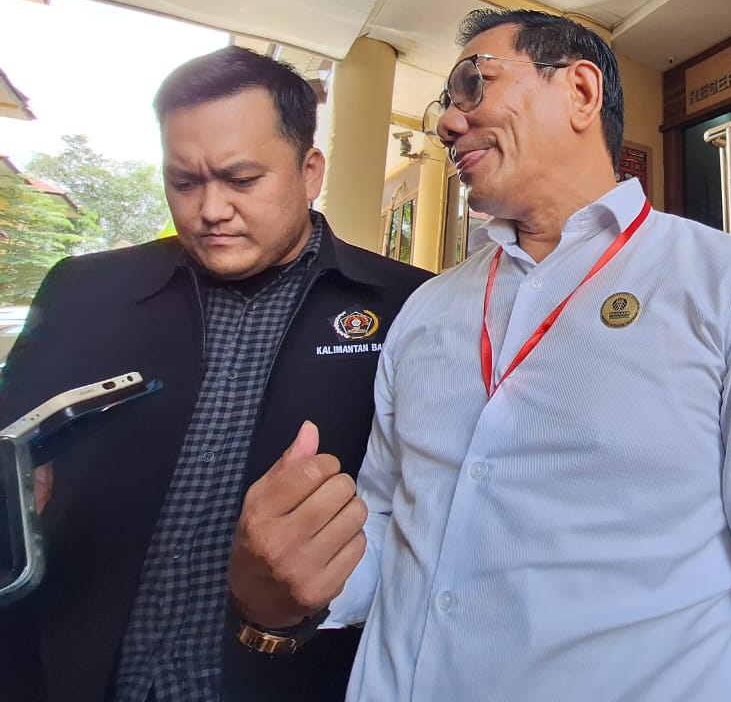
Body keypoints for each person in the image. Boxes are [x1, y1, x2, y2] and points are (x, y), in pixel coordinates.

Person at [228, 9, 731, 701]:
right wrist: (293, 581)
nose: (448, 124)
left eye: (473, 85)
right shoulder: (426, 311)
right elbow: (389, 527)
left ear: (580, 91)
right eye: (444, 105)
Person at [0, 47, 431, 702]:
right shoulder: (84, 291)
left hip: (294, 679)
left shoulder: (409, 309)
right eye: (185, 182)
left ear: (310, 171)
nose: (211, 209)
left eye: (242, 179)